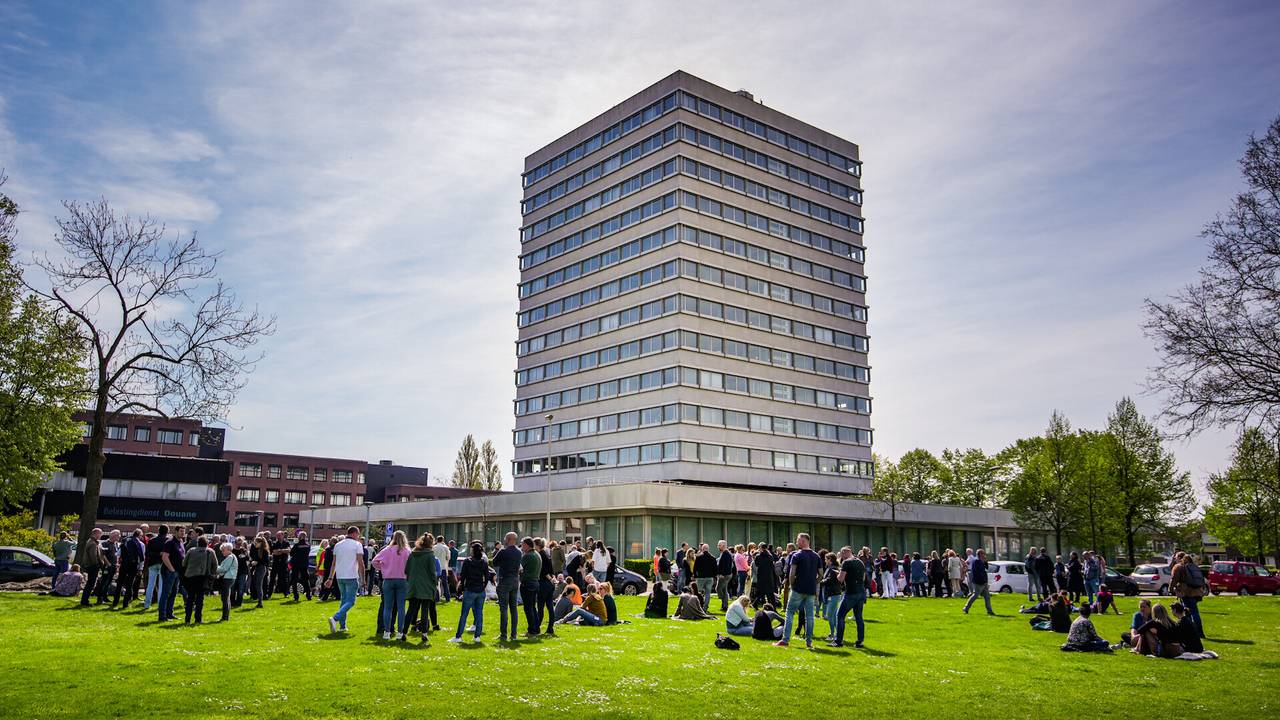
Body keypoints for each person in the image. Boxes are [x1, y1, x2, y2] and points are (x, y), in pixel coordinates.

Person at [777, 533, 821, 649]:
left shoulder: (797, 555)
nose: (797, 543)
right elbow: (820, 574)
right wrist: (814, 583)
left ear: (803, 541)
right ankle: (809, 642)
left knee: (790, 613)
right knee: (810, 616)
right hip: (810, 590)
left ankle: (785, 640)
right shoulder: (816, 556)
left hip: (798, 589)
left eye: (798, 540)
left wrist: (792, 585)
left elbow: (792, 573)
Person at [326, 526, 367, 634]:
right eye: (358, 535)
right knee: (351, 601)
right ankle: (335, 618)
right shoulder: (357, 545)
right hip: (351, 576)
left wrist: (330, 577)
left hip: (340, 576)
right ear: (354, 533)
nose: (358, 537)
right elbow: (361, 563)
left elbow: (333, 563)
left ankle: (342, 626)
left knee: (344, 601)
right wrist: (363, 578)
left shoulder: (338, 545)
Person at [450, 541, 493, 643]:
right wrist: (483, 586)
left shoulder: (467, 561)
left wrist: (461, 588)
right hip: (480, 591)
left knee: (464, 614)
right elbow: (487, 577)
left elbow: (463, 576)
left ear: (473, 551)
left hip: (470, 590)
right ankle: (477, 636)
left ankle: (458, 636)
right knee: (479, 614)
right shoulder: (484, 562)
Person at [373, 530, 411, 641]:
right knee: (401, 607)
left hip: (388, 579)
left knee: (387, 607)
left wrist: (383, 568)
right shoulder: (407, 551)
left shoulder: (387, 550)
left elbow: (374, 561)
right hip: (403, 580)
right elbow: (411, 565)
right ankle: (400, 632)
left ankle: (386, 632)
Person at [405, 533, 441, 640]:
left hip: (414, 585)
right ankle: (424, 634)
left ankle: (403, 633)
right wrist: (435, 584)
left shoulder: (412, 554)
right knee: (425, 610)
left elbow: (406, 570)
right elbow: (432, 572)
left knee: (411, 610)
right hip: (426, 586)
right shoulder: (430, 555)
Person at [832, 546, 867, 648]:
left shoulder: (846, 563)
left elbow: (841, 579)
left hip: (851, 593)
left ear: (844, 553)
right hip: (861, 592)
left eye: (842, 554)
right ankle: (860, 641)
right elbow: (863, 578)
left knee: (840, 615)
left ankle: (838, 641)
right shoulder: (860, 562)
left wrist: (838, 574)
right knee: (859, 617)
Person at [1170, 552, 1206, 639]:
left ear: (1179, 558)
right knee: (1192, 612)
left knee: (1189, 612)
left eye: (1176, 558)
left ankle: (1192, 632)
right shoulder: (1193, 566)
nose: (1175, 559)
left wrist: (1170, 589)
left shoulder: (1179, 567)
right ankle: (1197, 632)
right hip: (1196, 592)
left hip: (1186, 593)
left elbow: (1174, 579)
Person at [181, 536, 216, 624]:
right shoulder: (210, 552)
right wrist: (211, 574)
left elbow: (184, 563)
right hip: (203, 577)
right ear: (206, 543)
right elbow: (215, 565)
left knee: (190, 599)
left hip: (190, 577)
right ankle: (198, 619)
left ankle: (187, 619)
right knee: (200, 599)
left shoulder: (191, 551)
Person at [113, 529, 146, 609]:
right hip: (133, 565)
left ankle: (115, 602)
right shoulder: (141, 544)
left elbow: (118, 553)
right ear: (140, 535)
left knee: (119, 583)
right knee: (130, 584)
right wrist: (140, 569)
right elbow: (142, 557)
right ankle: (125, 603)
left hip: (124, 564)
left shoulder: (125, 541)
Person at [158, 526, 184, 622]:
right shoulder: (169, 542)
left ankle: (170, 614)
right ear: (175, 531)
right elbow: (165, 557)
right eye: (181, 531)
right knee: (166, 594)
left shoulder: (180, 542)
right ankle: (162, 616)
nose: (182, 533)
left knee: (173, 593)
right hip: (169, 572)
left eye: (183, 531)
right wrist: (172, 570)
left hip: (177, 572)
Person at [519, 536, 543, 637]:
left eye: (522, 544)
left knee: (528, 608)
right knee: (533, 607)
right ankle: (536, 629)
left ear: (527, 545)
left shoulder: (527, 556)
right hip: (535, 582)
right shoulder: (537, 554)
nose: (521, 546)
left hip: (527, 583)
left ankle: (532, 630)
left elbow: (519, 568)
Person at [962, 548, 995, 616]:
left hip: (984, 581)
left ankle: (989, 611)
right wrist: (981, 580)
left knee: (987, 597)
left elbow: (986, 568)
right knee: (975, 595)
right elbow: (977, 572)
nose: (984, 555)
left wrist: (985, 561)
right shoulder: (976, 561)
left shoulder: (982, 561)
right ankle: (966, 608)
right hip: (979, 582)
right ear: (980, 554)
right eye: (983, 553)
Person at [142, 525, 167, 611]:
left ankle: (147, 604)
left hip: (152, 563)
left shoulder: (152, 540)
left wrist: (156, 554)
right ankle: (160, 605)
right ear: (167, 531)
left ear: (158, 530)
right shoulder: (167, 540)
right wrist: (160, 554)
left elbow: (147, 553)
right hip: (163, 564)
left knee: (150, 585)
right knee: (161, 585)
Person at [78, 528, 104, 607]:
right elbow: (93, 556)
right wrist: (97, 565)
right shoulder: (92, 543)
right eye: (99, 534)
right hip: (92, 566)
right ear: (95, 534)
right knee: (90, 584)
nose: (100, 535)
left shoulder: (92, 542)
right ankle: (85, 601)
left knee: (90, 583)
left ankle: (85, 600)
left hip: (90, 565)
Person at [820, 553, 843, 641]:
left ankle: (834, 635)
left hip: (833, 594)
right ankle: (835, 634)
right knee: (832, 615)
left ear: (830, 560)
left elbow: (829, 580)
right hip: (832, 594)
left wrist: (819, 581)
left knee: (831, 615)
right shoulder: (831, 569)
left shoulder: (833, 570)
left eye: (826, 559)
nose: (825, 561)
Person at [535, 538, 556, 636]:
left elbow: (544, 570)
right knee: (550, 607)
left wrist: (549, 578)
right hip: (550, 584)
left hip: (544, 583)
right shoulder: (547, 554)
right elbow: (551, 569)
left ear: (537, 545)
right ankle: (550, 628)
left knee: (540, 607)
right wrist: (552, 579)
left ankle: (536, 628)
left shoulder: (540, 555)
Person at [215, 542, 237, 622]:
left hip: (228, 578)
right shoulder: (231, 556)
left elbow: (224, 569)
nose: (222, 552)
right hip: (230, 578)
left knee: (225, 598)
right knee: (226, 598)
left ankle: (225, 617)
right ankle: (225, 616)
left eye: (223, 550)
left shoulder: (230, 557)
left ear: (228, 550)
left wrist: (214, 568)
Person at [249, 535, 271, 608]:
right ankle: (259, 602)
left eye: (256, 542)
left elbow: (266, 562)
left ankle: (260, 603)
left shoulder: (264, 551)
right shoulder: (257, 550)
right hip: (257, 568)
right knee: (257, 584)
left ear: (261, 543)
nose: (255, 544)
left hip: (261, 568)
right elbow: (256, 559)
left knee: (259, 585)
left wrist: (257, 562)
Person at [289, 531, 312, 601]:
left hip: (296, 564)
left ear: (300, 537)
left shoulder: (296, 545)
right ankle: (308, 595)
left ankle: (296, 596)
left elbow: (291, 553)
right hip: (304, 564)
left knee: (294, 580)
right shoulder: (308, 546)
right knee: (306, 580)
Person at [269, 530, 291, 598]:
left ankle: (286, 593)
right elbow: (274, 552)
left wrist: (280, 551)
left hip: (283, 564)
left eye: (279, 535)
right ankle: (269, 593)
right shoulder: (275, 543)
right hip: (275, 563)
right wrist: (283, 551)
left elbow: (289, 550)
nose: (278, 537)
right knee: (272, 578)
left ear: (283, 535)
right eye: (277, 535)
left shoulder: (286, 543)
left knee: (284, 579)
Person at [715, 540, 734, 611]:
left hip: (725, 575)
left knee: (718, 589)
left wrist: (721, 574)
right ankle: (725, 606)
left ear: (723, 546)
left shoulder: (726, 554)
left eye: (719, 545)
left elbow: (726, 566)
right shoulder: (725, 553)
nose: (718, 547)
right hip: (726, 574)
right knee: (724, 590)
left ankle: (724, 602)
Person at [432, 535, 451, 603]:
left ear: (437, 540)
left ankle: (436, 598)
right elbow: (448, 557)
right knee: (445, 583)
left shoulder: (434, 547)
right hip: (443, 567)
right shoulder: (445, 547)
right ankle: (447, 597)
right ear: (443, 540)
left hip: (435, 568)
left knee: (435, 584)